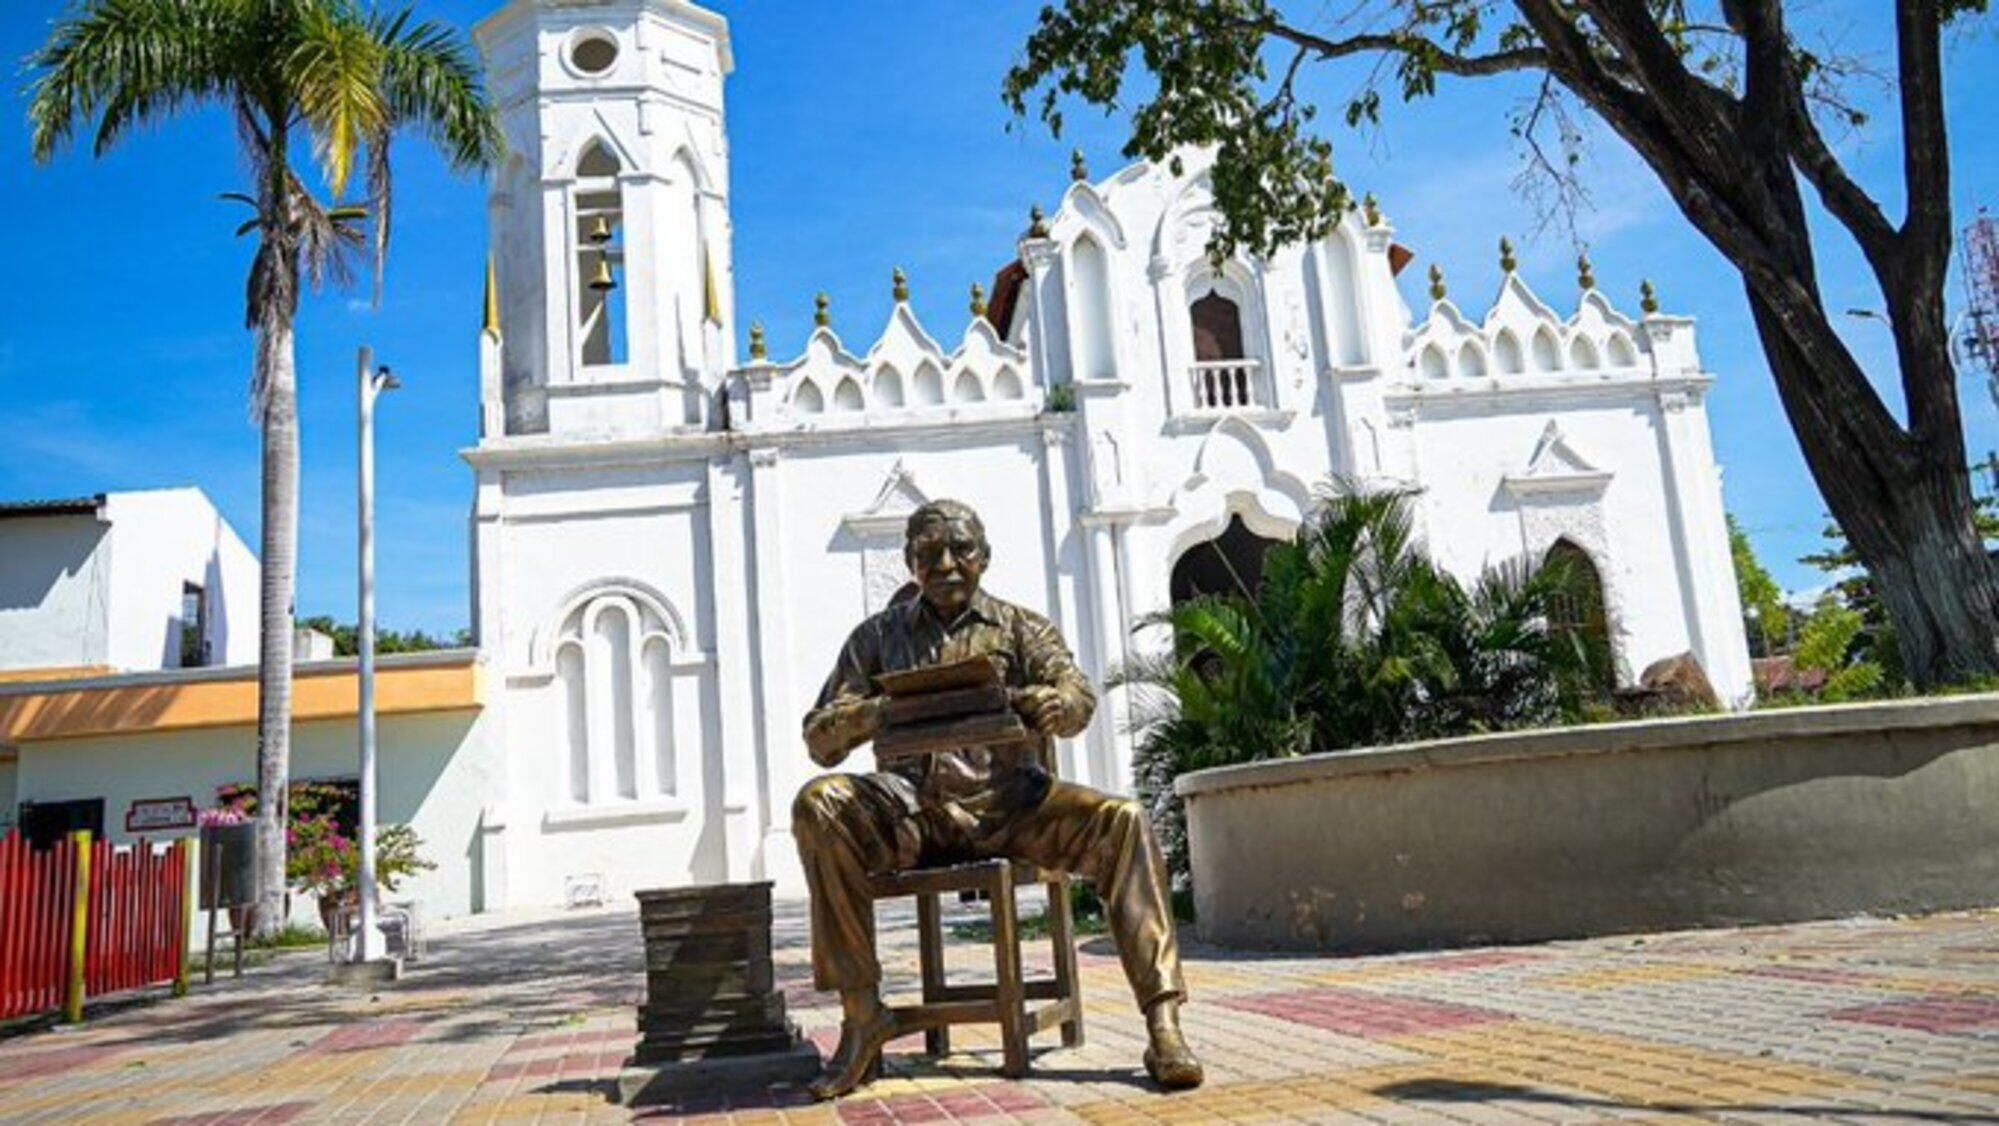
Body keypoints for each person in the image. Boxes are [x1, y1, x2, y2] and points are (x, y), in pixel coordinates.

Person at [793, 498, 1204, 1099]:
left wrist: (1056, 704)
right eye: (929, 553)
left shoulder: (1020, 626)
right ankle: (863, 1014)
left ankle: (1164, 1022)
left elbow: (1078, 696)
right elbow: (818, 740)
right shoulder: (876, 638)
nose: (946, 563)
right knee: (818, 802)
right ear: (909, 561)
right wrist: (872, 713)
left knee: (1124, 820)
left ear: (984, 557)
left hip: (1014, 809)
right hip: (913, 815)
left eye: (960, 549)